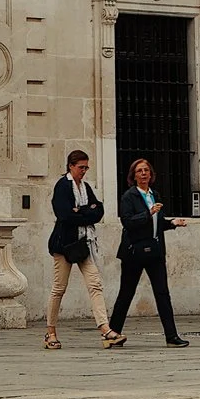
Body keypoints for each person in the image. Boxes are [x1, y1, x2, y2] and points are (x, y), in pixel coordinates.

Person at [45, 149, 124, 349]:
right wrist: (86, 212)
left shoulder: (85, 187)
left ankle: (105, 329)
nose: (84, 171)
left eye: (86, 167)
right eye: (81, 167)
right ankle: (50, 332)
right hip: (65, 244)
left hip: (84, 243)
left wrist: (82, 211)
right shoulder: (63, 186)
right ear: (71, 166)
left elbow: (99, 209)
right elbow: (64, 214)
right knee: (59, 288)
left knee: (95, 283)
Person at [109, 157, 190, 347]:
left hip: (155, 251)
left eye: (146, 170)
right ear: (133, 176)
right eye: (139, 171)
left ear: (151, 174)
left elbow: (157, 224)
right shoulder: (129, 197)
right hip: (134, 252)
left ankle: (171, 336)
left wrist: (171, 223)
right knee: (126, 293)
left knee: (162, 293)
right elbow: (128, 222)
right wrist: (149, 213)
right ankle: (113, 334)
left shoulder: (155, 195)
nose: (144, 174)